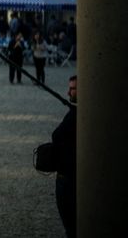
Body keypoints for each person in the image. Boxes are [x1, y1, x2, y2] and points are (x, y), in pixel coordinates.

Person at [52, 75, 77, 237]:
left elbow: (57, 136)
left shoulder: (76, 115)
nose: (68, 92)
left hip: (69, 178)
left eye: (72, 89)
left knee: (71, 227)